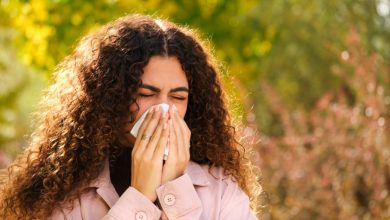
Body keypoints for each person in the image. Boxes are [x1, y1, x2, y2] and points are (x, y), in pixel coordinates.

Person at [0, 14, 262, 219]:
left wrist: (175, 190)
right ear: (110, 98)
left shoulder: (220, 190)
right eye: (146, 93)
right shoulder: (63, 194)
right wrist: (139, 196)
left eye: (178, 97)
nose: (163, 109)